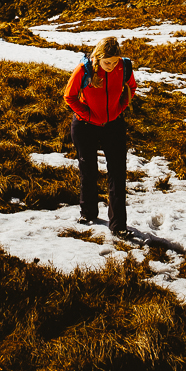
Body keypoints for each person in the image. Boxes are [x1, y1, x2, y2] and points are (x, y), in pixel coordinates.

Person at [63, 36, 136, 234]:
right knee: (89, 170)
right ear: (98, 58)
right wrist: (86, 114)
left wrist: (121, 107)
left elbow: (131, 87)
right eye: (107, 63)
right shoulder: (84, 70)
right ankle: (88, 213)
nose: (111, 66)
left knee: (118, 174)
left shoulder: (124, 67)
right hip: (85, 126)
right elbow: (69, 96)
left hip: (113, 125)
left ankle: (118, 226)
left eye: (114, 62)